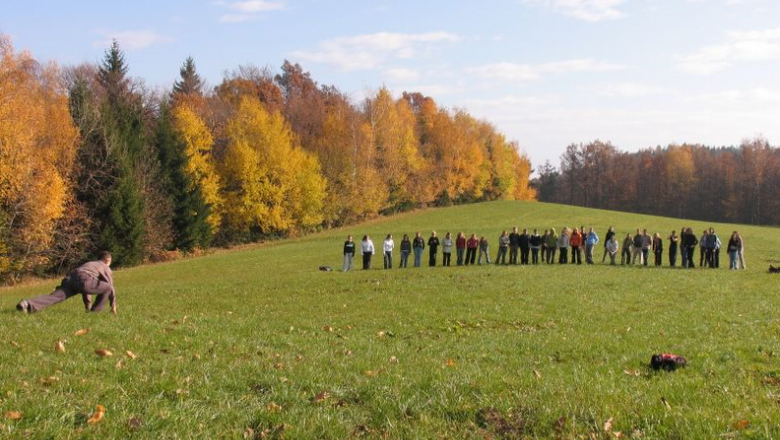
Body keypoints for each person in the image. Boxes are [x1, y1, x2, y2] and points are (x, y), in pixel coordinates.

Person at [17, 251, 117, 314]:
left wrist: (87, 306)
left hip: (70, 278)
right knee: (107, 287)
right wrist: (113, 305)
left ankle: (27, 304)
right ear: (108, 260)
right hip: (83, 279)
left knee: (55, 297)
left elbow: (86, 289)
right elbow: (110, 287)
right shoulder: (104, 266)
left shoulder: (89, 264)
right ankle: (95, 313)